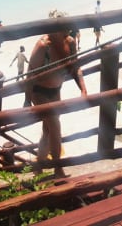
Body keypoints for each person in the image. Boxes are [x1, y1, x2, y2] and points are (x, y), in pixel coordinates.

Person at [25, 11, 87, 177]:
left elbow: (76, 67)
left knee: (48, 130)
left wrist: (83, 90)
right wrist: (26, 100)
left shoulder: (70, 42)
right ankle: (58, 168)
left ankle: (38, 166)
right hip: (39, 92)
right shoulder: (43, 45)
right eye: (63, 26)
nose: (68, 29)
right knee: (55, 125)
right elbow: (29, 75)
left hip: (56, 91)